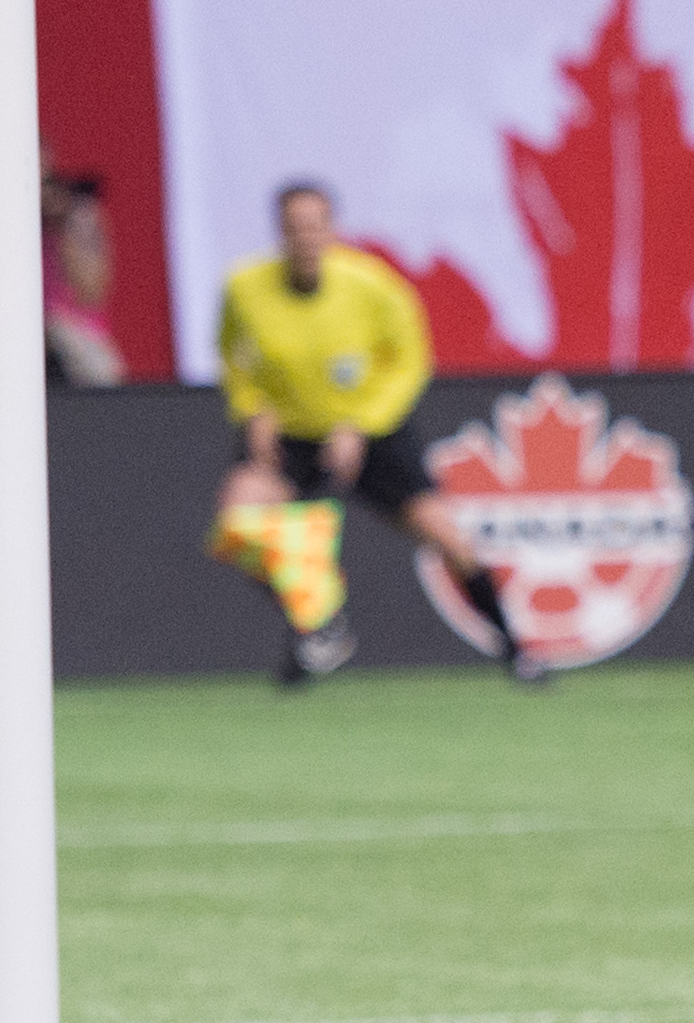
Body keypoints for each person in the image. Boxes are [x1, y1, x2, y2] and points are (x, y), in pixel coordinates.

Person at [211, 182, 536, 684]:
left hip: (372, 434)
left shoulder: (374, 286)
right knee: (239, 523)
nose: (305, 238)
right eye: (294, 227)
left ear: (333, 230)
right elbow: (233, 355)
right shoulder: (244, 287)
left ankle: (516, 650)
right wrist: (253, 409)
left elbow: (410, 363)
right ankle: (322, 626)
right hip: (289, 436)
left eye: (316, 225)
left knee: (448, 538)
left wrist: (359, 423)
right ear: (280, 233)